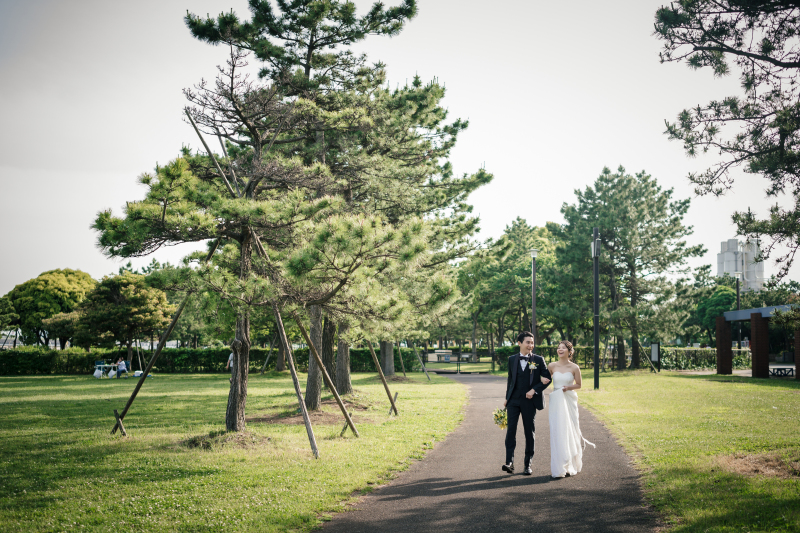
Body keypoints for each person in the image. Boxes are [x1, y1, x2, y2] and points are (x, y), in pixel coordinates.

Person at [502, 331, 551, 475]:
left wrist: (534, 390)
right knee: (510, 431)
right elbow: (510, 380)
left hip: (529, 402)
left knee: (529, 432)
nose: (531, 345)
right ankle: (509, 463)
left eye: (532, 342)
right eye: (528, 342)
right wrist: (507, 397)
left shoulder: (538, 359)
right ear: (519, 343)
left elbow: (548, 378)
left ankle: (527, 464)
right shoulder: (512, 359)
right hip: (513, 401)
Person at [547, 340, 595, 479]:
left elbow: (579, 385)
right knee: (558, 431)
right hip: (556, 401)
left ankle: (570, 463)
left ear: (569, 351)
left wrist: (568, 387)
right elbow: (544, 380)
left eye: (563, 348)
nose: (560, 350)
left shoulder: (574, 367)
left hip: (569, 399)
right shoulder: (551, 366)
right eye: (558, 348)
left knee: (570, 429)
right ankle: (560, 466)